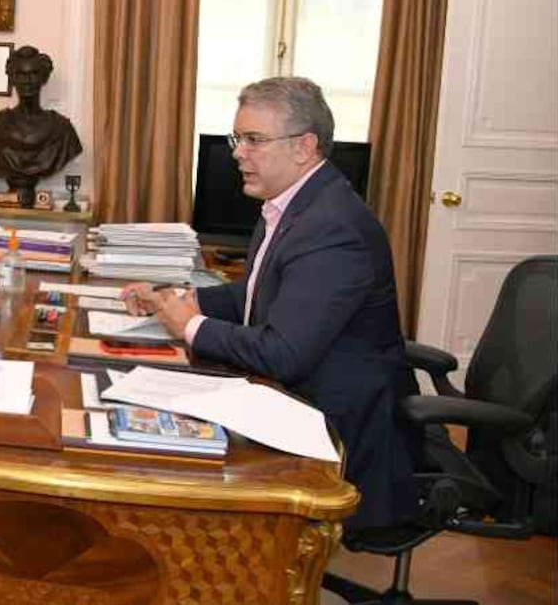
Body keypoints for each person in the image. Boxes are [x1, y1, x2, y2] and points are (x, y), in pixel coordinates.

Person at [124, 77, 421, 529]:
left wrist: (191, 326)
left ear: (304, 147)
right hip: (293, 398)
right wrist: (175, 299)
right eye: (237, 139)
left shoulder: (333, 227)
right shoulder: (290, 203)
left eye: (254, 140)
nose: (238, 153)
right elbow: (254, 294)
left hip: (333, 428)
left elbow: (284, 353)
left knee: (175, 461)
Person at [0, 46, 83, 205]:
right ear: (12, 78)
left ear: (44, 78)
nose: (27, 81)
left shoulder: (62, 130)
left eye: (34, 74)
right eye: (21, 74)